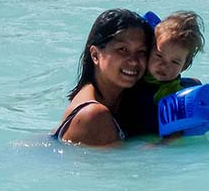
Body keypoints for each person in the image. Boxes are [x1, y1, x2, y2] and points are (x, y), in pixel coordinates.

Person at [53, 9, 153, 146]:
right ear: (95, 55)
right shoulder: (94, 115)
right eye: (122, 49)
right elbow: (126, 166)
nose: (134, 61)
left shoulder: (121, 101)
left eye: (141, 52)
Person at [118, 12, 204, 137]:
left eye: (174, 62)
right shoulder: (136, 72)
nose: (164, 65)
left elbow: (175, 132)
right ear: (148, 51)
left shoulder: (171, 92)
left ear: (184, 66)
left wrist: (159, 146)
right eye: (159, 56)